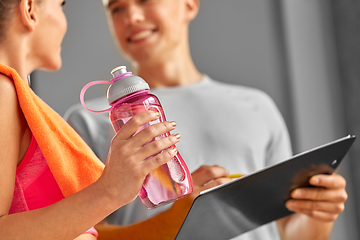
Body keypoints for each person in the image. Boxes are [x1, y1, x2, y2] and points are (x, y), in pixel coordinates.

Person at [65, 0, 349, 239]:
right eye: (116, 8)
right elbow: (74, 233)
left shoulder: (256, 107)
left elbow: (286, 232)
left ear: (190, 4)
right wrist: (173, 220)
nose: (132, 17)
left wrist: (320, 213)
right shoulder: (89, 121)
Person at [0, 0, 230, 239]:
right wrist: (109, 191)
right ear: (29, 9)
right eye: (61, 4)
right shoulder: (2, 89)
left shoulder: (18, 101)